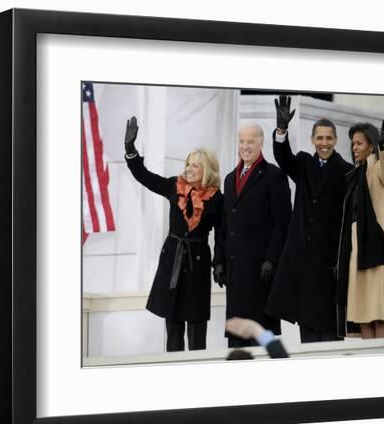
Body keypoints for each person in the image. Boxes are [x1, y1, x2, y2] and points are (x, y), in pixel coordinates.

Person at [124, 116, 224, 351]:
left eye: (195, 165)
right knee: (174, 323)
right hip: (173, 259)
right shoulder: (174, 186)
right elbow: (144, 176)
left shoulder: (217, 199)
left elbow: (222, 235)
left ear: (206, 169)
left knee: (197, 326)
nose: (188, 169)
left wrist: (219, 263)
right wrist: (130, 150)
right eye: (187, 164)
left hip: (198, 262)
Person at [265, 96, 354, 343]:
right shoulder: (303, 162)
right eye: (319, 138)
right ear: (312, 140)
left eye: (328, 138)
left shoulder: (347, 171)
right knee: (309, 334)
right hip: (303, 262)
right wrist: (281, 130)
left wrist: (342, 258)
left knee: (330, 333)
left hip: (329, 264)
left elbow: (350, 221)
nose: (324, 143)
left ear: (335, 140)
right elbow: (283, 158)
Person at [214, 122, 291, 348]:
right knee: (237, 336)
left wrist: (271, 259)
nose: (245, 146)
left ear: (261, 143)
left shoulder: (274, 176)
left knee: (261, 335)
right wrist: (218, 260)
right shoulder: (229, 179)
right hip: (235, 271)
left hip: (261, 272)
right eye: (242, 141)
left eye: (250, 141)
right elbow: (224, 224)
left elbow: (283, 224)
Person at [335, 120, 384, 339]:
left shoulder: (375, 167)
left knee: (379, 311)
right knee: (363, 311)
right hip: (356, 247)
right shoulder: (356, 173)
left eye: (359, 143)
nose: (354, 148)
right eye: (353, 144)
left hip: (375, 246)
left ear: (371, 145)